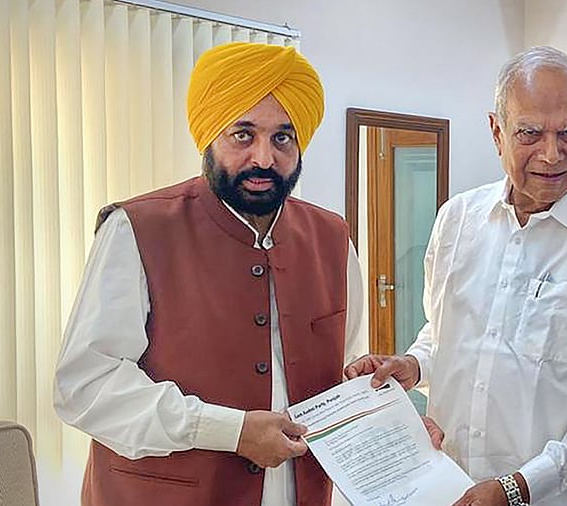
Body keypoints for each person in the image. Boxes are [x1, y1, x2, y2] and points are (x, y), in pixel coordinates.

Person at [345, 46, 567, 506]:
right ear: (496, 131)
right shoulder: (456, 219)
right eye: (530, 133)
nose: (552, 153)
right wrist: (413, 366)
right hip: (450, 487)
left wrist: (518, 488)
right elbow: (445, 335)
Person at [54, 42, 364, 506]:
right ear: (209, 137)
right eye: (243, 135)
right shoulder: (138, 228)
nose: (264, 158)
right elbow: (86, 386)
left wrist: (395, 427)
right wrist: (228, 431)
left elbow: (345, 381)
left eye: (282, 137)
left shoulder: (333, 237)